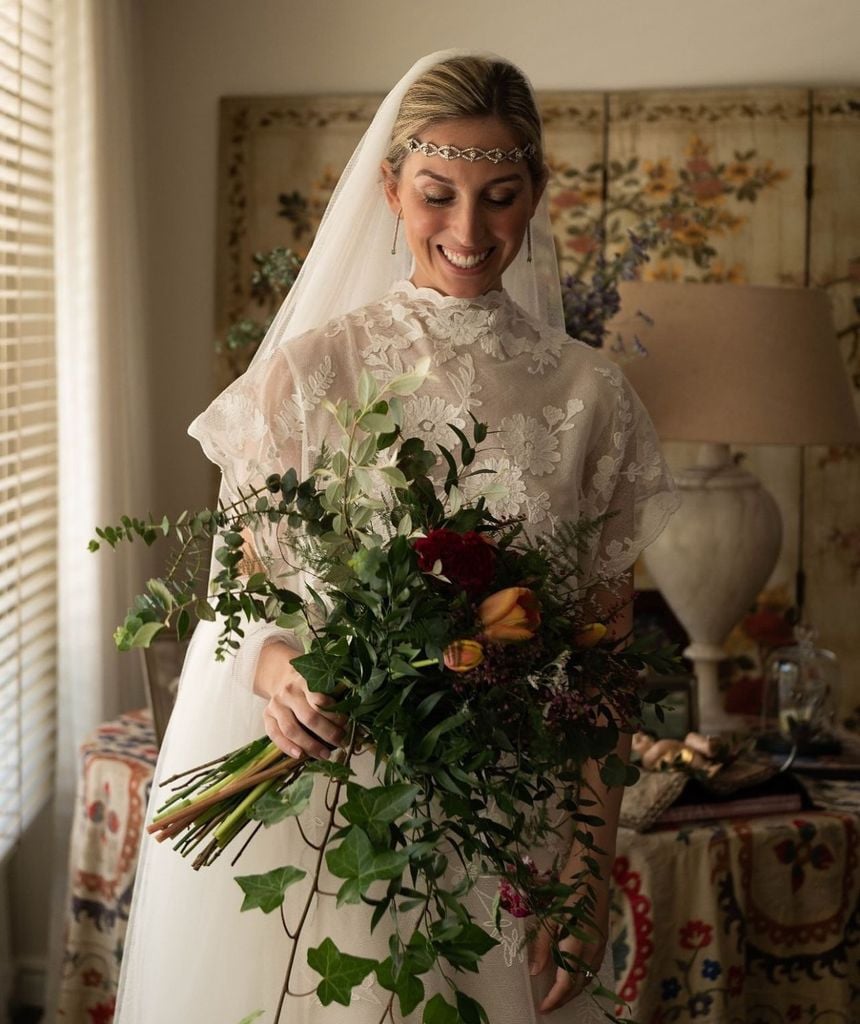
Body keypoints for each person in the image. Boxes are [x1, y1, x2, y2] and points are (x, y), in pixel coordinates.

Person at [115, 51, 678, 1024]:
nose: (468, 229)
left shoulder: (594, 400)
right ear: (389, 189)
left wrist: (586, 873)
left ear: (535, 193)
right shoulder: (308, 376)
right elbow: (241, 614)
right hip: (327, 812)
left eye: (499, 196)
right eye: (437, 194)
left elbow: (603, 663)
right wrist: (281, 671)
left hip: (508, 820)